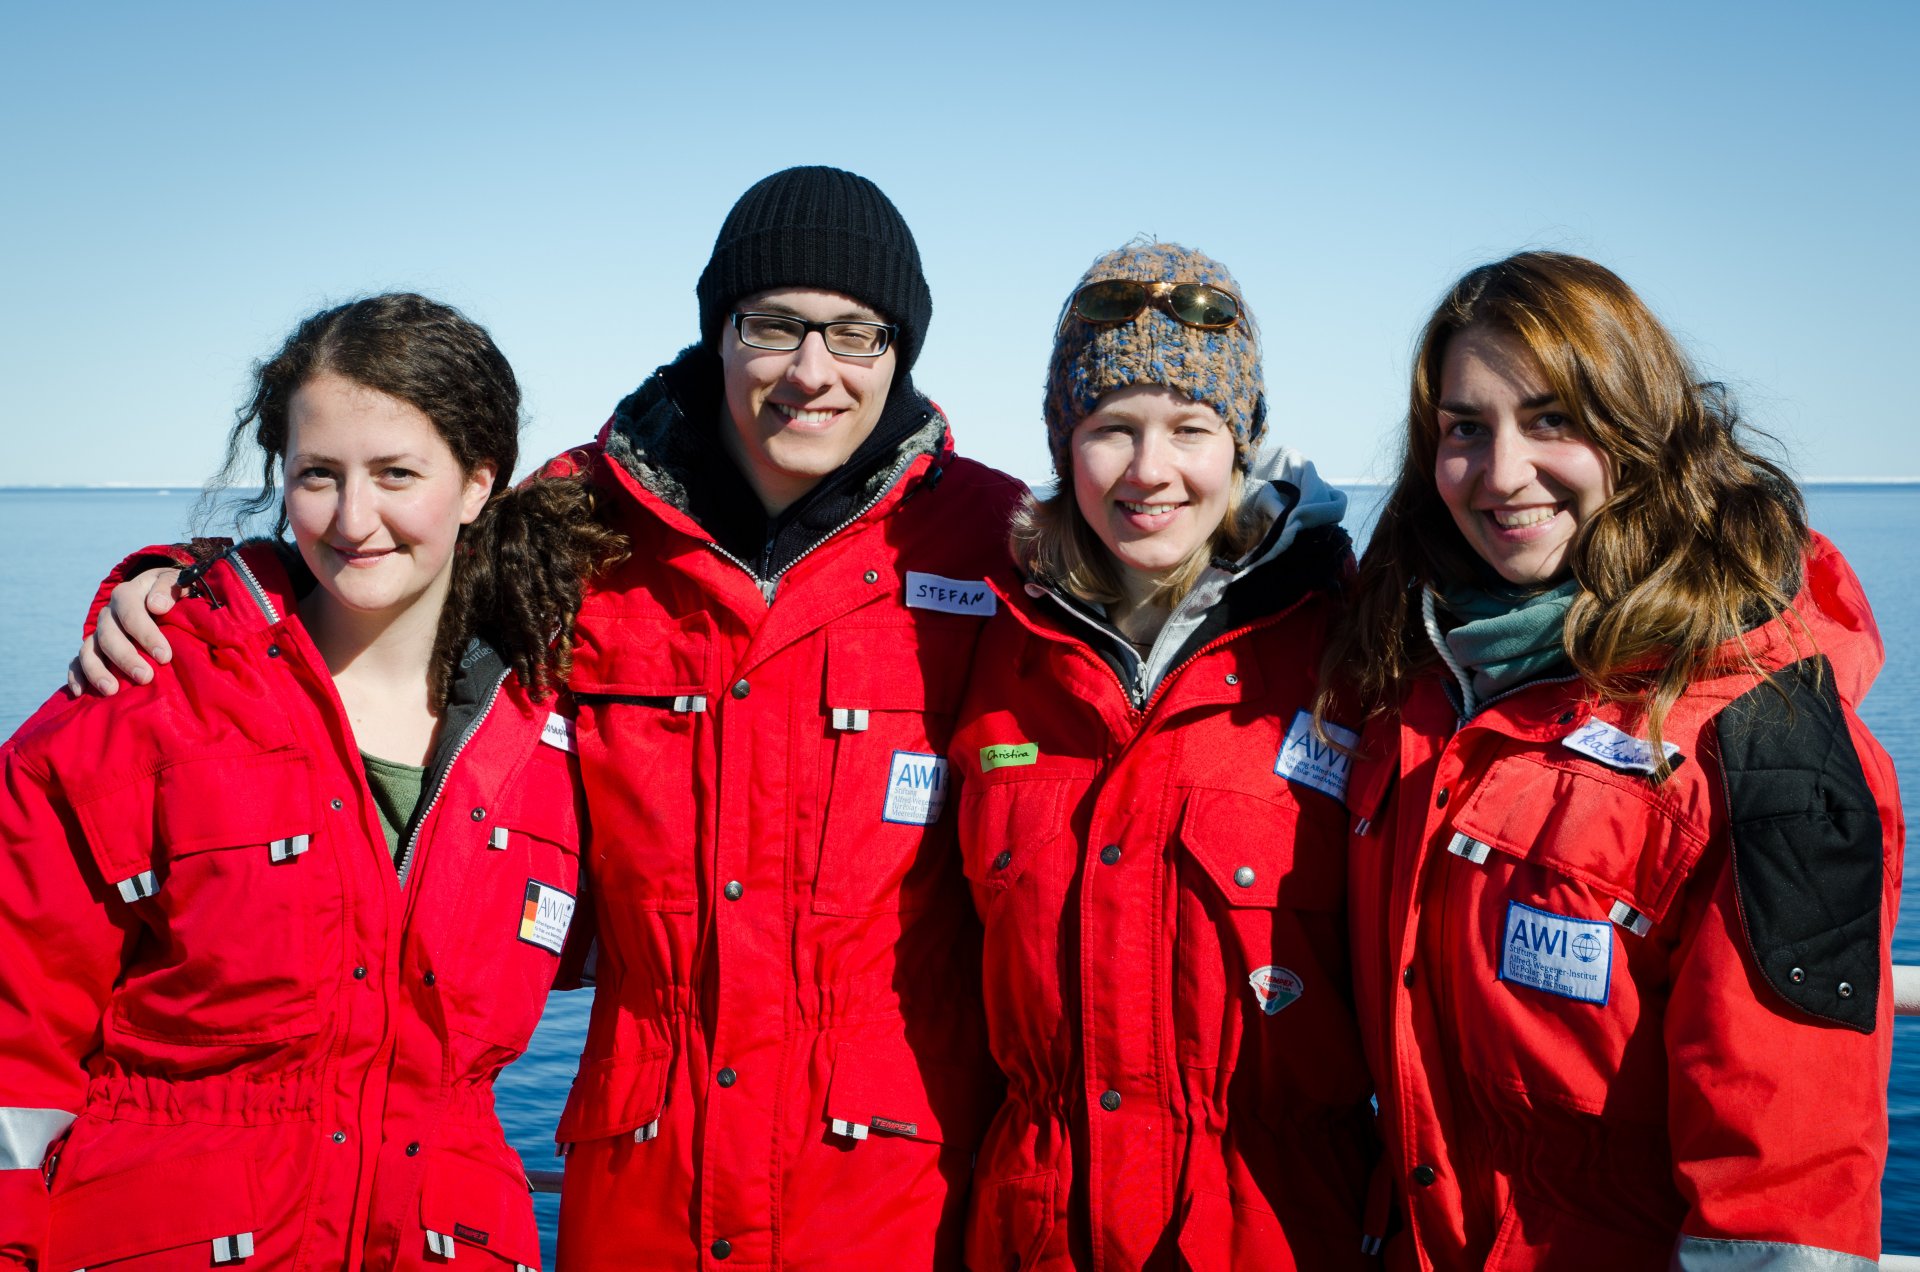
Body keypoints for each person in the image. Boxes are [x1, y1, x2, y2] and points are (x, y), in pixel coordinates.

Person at [76, 167, 1026, 1269]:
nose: (811, 372)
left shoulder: (999, 548)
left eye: (855, 334)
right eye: (773, 326)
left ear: (900, 350)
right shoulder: (576, 527)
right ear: (719, 331)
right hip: (645, 1184)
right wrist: (176, 588)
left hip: (895, 1189)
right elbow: (378, 555)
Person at [0, 293, 618, 1270]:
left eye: (396, 474)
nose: (353, 518)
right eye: (318, 476)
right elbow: (16, 1022)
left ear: (476, 484)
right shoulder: (151, 692)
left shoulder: (551, 742)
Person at [1320, 251, 1904, 1269]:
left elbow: (1784, 1183)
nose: (1502, 474)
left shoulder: (1764, 743)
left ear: (1640, 433)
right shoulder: (1418, 684)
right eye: (1466, 429)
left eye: (1553, 420)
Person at [950, 241, 1379, 1270]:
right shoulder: (993, 649)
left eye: (1190, 428)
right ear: (1063, 445)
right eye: (1111, 429)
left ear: (1243, 442)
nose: (1150, 472)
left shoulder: (1353, 651)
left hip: (1277, 1235)